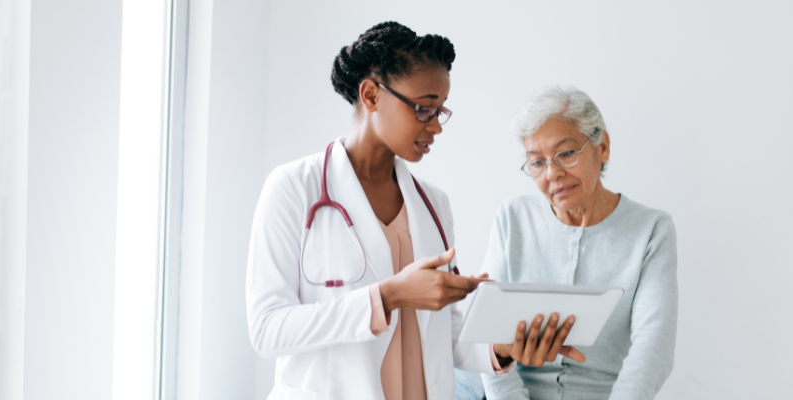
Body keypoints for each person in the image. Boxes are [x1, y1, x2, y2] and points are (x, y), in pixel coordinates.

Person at [245, 23, 582, 400]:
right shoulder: (294, 188)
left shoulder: (434, 205)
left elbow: (440, 334)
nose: (436, 126)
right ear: (371, 95)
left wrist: (503, 348)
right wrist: (388, 297)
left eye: (441, 111)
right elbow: (267, 329)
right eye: (424, 109)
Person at [467, 85, 677, 400]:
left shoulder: (651, 230)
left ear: (602, 146)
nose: (552, 173)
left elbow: (653, 346)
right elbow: (486, 335)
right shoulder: (513, 217)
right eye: (537, 162)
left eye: (565, 153)